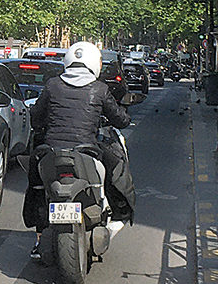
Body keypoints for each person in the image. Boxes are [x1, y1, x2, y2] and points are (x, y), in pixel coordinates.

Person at [23, 41, 135, 258]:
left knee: (37, 186)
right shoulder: (100, 89)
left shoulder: (52, 85)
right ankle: (116, 212)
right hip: (87, 153)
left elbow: (36, 116)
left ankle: (39, 237)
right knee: (115, 171)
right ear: (94, 63)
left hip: (51, 152)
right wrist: (125, 115)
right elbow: (120, 119)